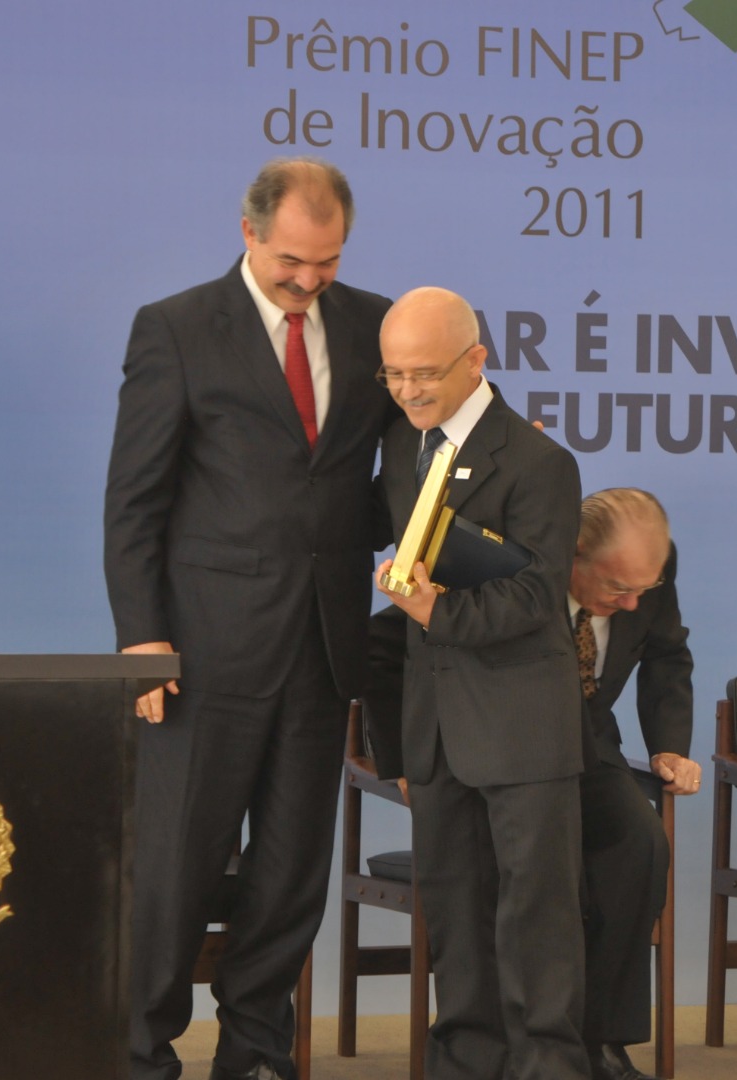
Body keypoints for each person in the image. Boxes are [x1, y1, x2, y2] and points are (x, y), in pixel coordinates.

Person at [104, 157, 391, 1080]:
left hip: (324, 646)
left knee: (290, 871)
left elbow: (381, 488)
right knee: (177, 869)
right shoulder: (178, 328)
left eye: (328, 262)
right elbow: (135, 501)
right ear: (249, 234)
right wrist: (142, 640)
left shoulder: (374, 325)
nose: (309, 281)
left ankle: (256, 1053)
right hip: (201, 653)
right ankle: (141, 1055)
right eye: (291, 262)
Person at [371, 286, 588, 1079]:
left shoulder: (540, 461)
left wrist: (437, 609)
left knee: (535, 919)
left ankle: (547, 1068)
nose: (407, 390)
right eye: (394, 374)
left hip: (521, 724)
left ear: (476, 361)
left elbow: (536, 597)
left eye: (424, 373)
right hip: (435, 729)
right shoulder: (401, 445)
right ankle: (464, 1065)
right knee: (457, 919)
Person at [570, 488, 699, 1080]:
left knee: (640, 845)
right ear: (574, 554)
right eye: (617, 586)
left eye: (644, 588)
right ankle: (525, 1038)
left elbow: (667, 655)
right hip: (509, 750)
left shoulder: (649, 573)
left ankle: (603, 1039)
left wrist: (668, 745)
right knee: (547, 868)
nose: (630, 603)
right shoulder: (525, 562)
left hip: (590, 745)